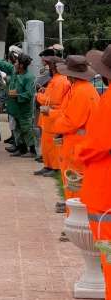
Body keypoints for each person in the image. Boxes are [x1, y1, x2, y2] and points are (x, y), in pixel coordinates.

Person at [75, 44, 111, 300]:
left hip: (105, 191)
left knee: (108, 257)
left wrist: (80, 150)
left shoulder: (109, 100)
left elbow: (97, 144)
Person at [43, 55, 100, 202]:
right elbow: (67, 113)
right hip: (79, 143)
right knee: (75, 185)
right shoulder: (83, 89)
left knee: (76, 187)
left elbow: (70, 121)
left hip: (77, 145)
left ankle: (76, 217)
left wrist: (54, 124)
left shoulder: (81, 92)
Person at [0, 53, 37, 157]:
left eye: (16, 62)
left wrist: (18, 95)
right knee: (17, 129)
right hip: (14, 108)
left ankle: (32, 150)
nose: (14, 64)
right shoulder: (15, 72)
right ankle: (21, 148)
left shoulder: (29, 77)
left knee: (26, 129)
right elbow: (2, 65)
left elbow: (29, 94)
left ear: (21, 65)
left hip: (24, 109)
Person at [34, 56, 71, 178]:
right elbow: (51, 96)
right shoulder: (56, 79)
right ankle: (48, 165)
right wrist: (44, 92)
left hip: (53, 115)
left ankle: (54, 168)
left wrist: (38, 95)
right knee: (46, 144)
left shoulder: (59, 80)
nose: (48, 67)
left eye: (49, 65)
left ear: (54, 67)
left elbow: (52, 100)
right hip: (49, 116)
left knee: (52, 145)